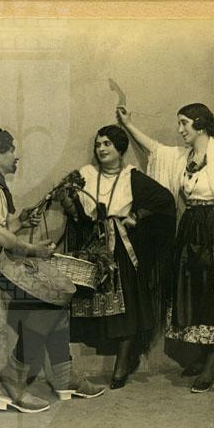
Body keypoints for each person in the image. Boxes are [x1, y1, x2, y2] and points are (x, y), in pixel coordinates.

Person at [0, 127, 104, 412]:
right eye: (12, 150)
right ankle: (11, 381)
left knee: (56, 298)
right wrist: (31, 250)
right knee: (50, 302)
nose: (16, 156)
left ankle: (64, 378)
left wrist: (21, 222)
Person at [117, 103, 214, 393]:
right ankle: (203, 355)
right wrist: (128, 125)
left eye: (184, 123)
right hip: (191, 229)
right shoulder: (185, 157)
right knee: (194, 295)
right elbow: (156, 150)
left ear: (200, 124)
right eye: (179, 123)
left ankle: (213, 363)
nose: (180, 129)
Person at [58, 124, 176, 389]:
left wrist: (136, 216)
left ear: (120, 148)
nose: (101, 149)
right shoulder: (86, 175)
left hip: (121, 247)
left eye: (107, 144)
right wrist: (68, 201)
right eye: (98, 144)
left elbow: (164, 200)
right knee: (87, 299)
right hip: (92, 244)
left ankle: (123, 362)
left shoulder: (131, 177)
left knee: (128, 304)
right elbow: (78, 212)